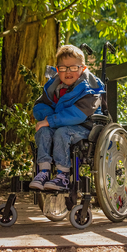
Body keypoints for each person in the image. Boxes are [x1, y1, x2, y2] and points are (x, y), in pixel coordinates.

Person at [29, 45, 105, 191]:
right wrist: (47, 119)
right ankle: (43, 172)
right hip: (60, 124)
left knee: (61, 132)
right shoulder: (54, 87)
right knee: (43, 131)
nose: (68, 72)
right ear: (57, 70)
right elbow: (39, 106)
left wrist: (50, 121)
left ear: (83, 68)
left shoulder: (90, 88)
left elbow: (78, 114)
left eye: (73, 68)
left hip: (86, 126)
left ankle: (63, 175)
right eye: (63, 68)